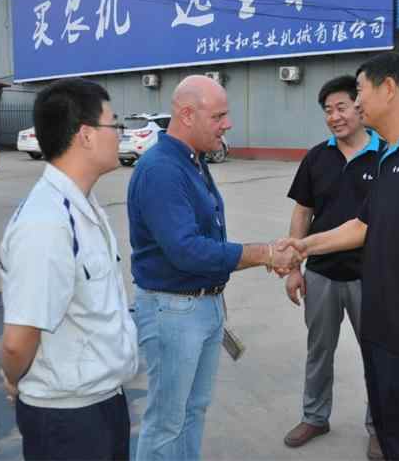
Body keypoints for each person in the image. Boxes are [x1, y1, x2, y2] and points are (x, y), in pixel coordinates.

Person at [282, 52, 399, 460]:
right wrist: (303, 246)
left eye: (361, 91)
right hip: (380, 321)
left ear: (389, 88)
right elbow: (362, 226)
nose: (358, 101)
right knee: (388, 427)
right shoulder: (390, 153)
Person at [127, 75, 301, 461]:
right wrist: (264, 254)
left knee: (193, 410)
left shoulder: (191, 161)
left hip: (202, 305)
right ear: (187, 115)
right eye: (219, 116)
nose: (228, 124)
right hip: (174, 311)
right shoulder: (162, 170)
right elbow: (186, 251)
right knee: (166, 421)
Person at [0, 78, 138, 461]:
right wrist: (12, 377)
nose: (120, 134)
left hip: (103, 401)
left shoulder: (83, 206)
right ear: (86, 135)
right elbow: (17, 341)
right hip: (67, 419)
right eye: (115, 124)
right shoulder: (46, 223)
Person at [282, 74, 384, 459]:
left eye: (341, 107)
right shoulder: (317, 157)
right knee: (319, 350)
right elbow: (302, 211)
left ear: (360, 107)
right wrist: (295, 268)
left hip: (369, 275)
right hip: (321, 273)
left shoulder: (386, 155)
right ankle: (315, 416)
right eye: (328, 110)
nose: (334, 117)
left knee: (376, 355)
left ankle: (380, 426)